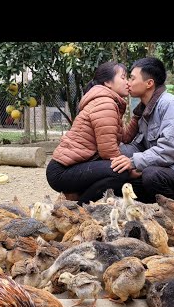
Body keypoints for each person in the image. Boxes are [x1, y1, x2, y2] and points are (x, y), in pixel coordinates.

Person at [111, 57, 174, 203]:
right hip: (165, 166)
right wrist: (118, 153)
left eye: (132, 78)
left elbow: (169, 150)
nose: (128, 83)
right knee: (120, 178)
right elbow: (140, 144)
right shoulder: (145, 109)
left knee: (151, 175)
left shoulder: (171, 105)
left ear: (149, 83)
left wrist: (133, 162)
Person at [46, 61, 139, 205]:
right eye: (123, 77)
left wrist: (138, 115)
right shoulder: (105, 103)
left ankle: (74, 199)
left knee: (120, 168)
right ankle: (80, 208)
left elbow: (125, 137)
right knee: (121, 172)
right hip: (62, 172)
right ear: (108, 82)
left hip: (70, 168)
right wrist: (130, 168)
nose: (127, 82)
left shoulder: (109, 103)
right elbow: (108, 152)